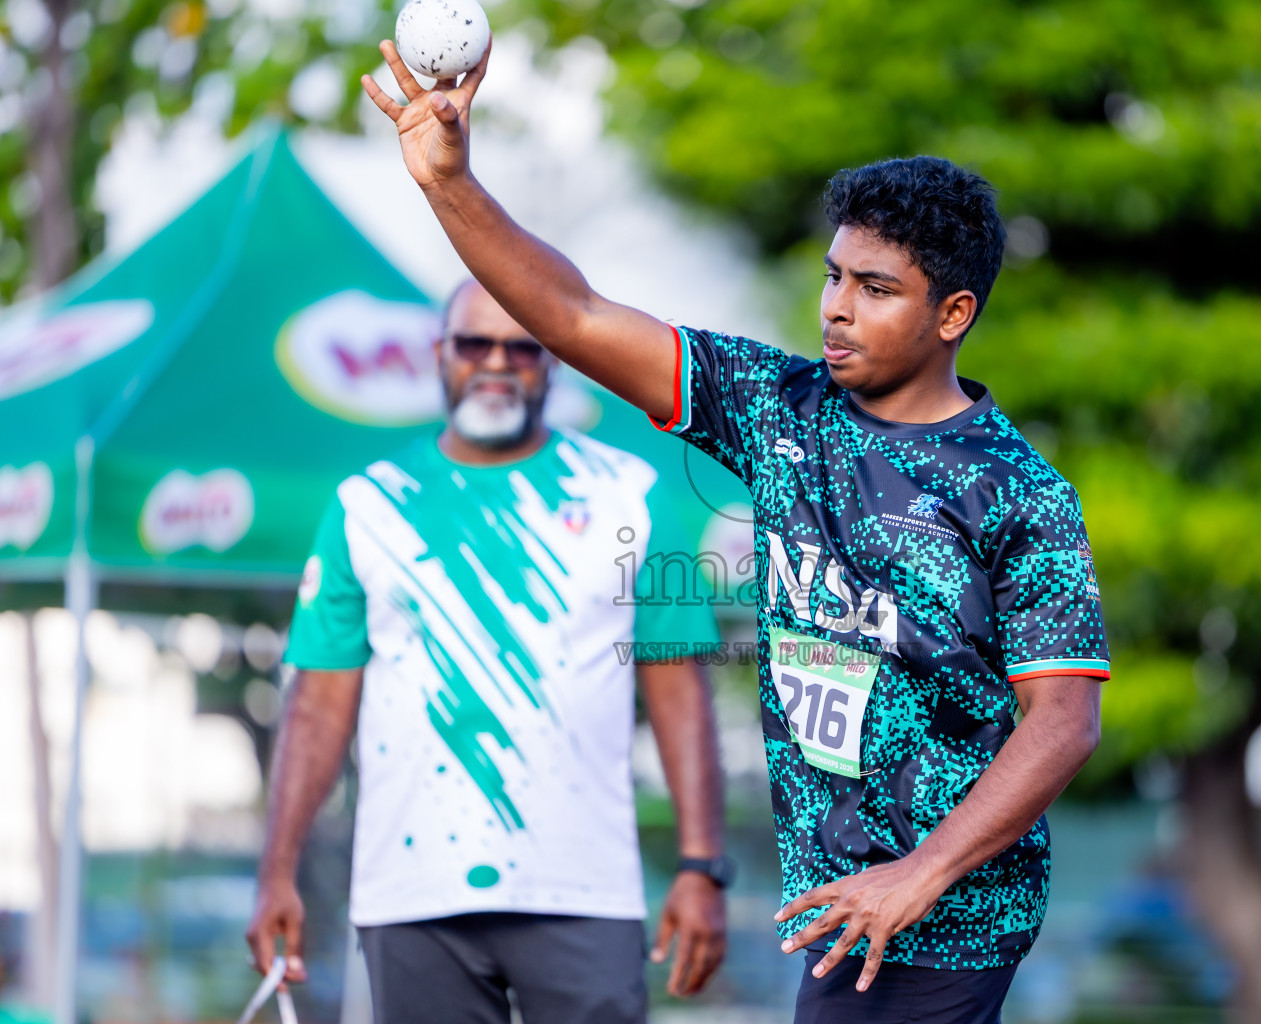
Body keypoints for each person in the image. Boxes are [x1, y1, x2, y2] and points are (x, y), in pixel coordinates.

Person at [361, 40, 1109, 1024]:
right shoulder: (780, 407)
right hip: (843, 911)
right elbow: (577, 316)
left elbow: (1065, 719)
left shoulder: (1021, 493)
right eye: (836, 276)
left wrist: (919, 874)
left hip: (952, 916)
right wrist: (451, 183)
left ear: (953, 314)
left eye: (876, 290)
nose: (837, 308)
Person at [245, 280, 731, 1024]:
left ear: (554, 361)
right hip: (414, 892)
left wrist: (702, 866)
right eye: (476, 343)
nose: (498, 363)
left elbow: (678, 686)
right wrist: (276, 872)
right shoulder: (367, 504)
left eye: (523, 346)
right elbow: (316, 704)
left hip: (583, 889)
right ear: (441, 355)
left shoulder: (629, 495)